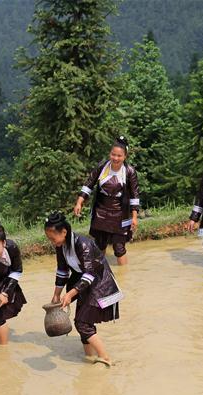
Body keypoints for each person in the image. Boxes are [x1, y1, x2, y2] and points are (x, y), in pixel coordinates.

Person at [45, 212, 121, 367]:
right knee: (83, 322)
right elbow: (62, 271)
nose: (52, 242)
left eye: (52, 238)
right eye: (49, 239)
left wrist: (71, 293)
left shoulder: (83, 244)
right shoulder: (61, 246)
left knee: (82, 323)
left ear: (64, 232)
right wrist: (56, 295)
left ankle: (105, 358)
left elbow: (90, 273)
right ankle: (89, 357)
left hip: (99, 283)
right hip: (83, 284)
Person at [73, 136, 141, 265]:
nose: (115, 158)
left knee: (119, 248)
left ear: (125, 156)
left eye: (119, 156)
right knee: (99, 245)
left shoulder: (129, 171)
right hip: (101, 212)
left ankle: (123, 276)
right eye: (113, 154)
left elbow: (135, 195)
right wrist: (79, 202)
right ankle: (100, 273)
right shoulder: (103, 166)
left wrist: (134, 217)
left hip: (120, 214)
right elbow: (89, 183)